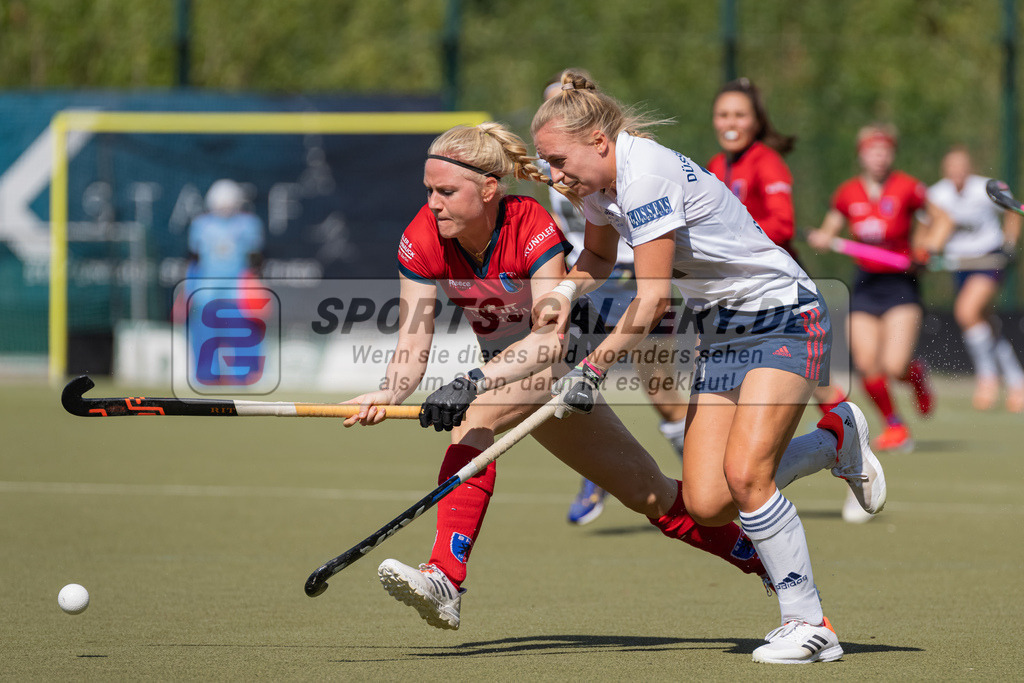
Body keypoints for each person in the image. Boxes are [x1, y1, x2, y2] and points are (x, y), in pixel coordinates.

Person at [344, 121, 880, 638]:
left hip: (554, 363)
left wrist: (472, 382)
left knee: (477, 420)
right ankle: (767, 561)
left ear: (488, 188)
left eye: (445, 191)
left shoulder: (530, 224)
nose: (432, 203)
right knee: (664, 497)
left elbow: (548, 343)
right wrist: (388, 394)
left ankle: (443, 578)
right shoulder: (422, 238)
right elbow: (411, 349)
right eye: (428, 190)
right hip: (510, 370)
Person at [530, 71, 885, 664]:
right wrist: (565, 296)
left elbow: (652, 299)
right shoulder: (595, 185)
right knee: (707, 501)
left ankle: (809, 624)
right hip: (721, 333)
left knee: (748, 477)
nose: (552, 175)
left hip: (783, 316)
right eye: (545, 164)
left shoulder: (644, 177)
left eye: (558, 161)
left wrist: (589, 370)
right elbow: (595, 253)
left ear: (598, 140)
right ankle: (835, 439)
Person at [708, 78, 865, 523]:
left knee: (819, 387)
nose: (731, 123)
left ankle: (852, 462)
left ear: (756, 121)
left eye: (740, 115)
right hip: (738, 301)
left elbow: (782, 225)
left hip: (782, 299)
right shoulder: (717, 163)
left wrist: (727, 242)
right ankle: (839, 450)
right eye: (723, 115)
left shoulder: (768, 162)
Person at [542, 71, 690, 526]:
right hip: (591, 281)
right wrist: (562, 288)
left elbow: (652, 289)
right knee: (567, 385)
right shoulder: (556, 165)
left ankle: (705, 475)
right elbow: (591, 248)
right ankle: (600, 471)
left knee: (661, 393)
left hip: (639, 283)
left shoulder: (627, 168)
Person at [807, 124, 951, 453]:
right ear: (862, 154)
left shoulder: (907, 188)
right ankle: (895, 426)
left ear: (892, 154)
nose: (879, 157)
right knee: (868, 363)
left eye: (884, 151)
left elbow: (943, 220)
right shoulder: (848, 193)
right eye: (872, 150)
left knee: (895, 366)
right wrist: (823, 237)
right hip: (866, 285)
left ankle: (915, 375)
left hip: (901, 285)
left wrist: (929, 246)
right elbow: (830, 228)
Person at [926, 145, 1023, 413]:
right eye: (952, 168)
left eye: (962, 167)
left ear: (969, 168)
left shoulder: (985, 188)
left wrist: (1009, 243)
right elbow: (925, 227)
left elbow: (1013, 211)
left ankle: (987, 377)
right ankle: (1017, 381)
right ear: (945, 171)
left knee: (966, 312)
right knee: (985, 322)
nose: (957, 173)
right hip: (959, 265)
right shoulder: (937, 194)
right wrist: (926, 251)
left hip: (988, 259)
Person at [184, 179, 265, 386]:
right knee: (204, 340)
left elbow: (255, 262)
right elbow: (194, 261)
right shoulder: (200, 225)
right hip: (206, 295)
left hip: (237, 296)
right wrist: (189, 289)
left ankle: (242, 377)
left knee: (242, 340)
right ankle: (206, 377)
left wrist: (255, 289)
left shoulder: (248, 224)